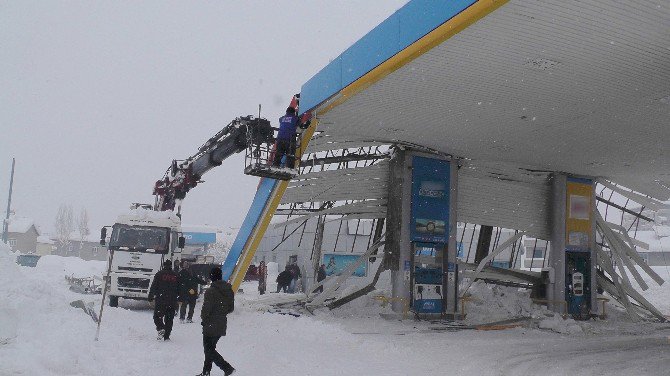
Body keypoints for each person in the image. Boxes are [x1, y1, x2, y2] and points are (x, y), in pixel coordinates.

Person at [196, 267, 235, 376]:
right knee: (210, 349)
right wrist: (221, 312)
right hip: (222, 323)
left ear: (212, 277)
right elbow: (230, 308)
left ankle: (226, 368)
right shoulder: (229, 290)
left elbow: (206, 310)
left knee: (208, 350)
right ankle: (206, 372)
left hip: (210, 324)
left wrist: (204, 319)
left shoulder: (210, 291)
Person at [148, 259, 179, 341]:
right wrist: (179, 299)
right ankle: (167, 336)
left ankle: (161, 328)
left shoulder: (159, 274)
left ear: (164, 265)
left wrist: (150, 296)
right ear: (171, 266)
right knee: (169, 319)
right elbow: (180, 288)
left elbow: (154, 286)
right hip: (172, 300)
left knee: (157, 316)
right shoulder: (175, 275)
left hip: (161, 300)